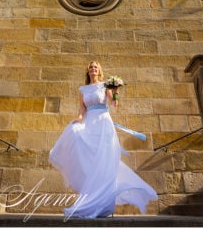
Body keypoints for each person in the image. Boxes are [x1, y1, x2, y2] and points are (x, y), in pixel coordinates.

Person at [49, 61, 158, 219]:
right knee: (76, 135)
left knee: (104, 162)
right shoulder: (83, 89)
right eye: (90, 67)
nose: (92, 69)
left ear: (99, 71)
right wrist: (78, 118)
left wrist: (115, 90)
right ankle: (92, 197)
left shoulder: (105, 86)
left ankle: (102, 203)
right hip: (89, 123)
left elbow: (114, 104)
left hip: (103, 124)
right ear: (88, 71)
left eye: (95, 67)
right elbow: (82, 108)